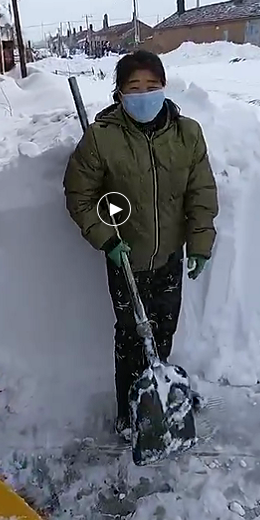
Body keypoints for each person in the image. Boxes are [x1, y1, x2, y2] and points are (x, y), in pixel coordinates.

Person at [63, 50, 218, 438]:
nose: (144, 94)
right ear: (119, 94)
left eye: (152, 86)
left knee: (163, 330)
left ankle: (158, 396)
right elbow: (80, 195)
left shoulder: (188, 134)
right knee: (132, 337)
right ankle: (128, 409)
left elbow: (200, 191)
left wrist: (199, 244)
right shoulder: (102, 139)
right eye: (134, 87)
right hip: (125, 258)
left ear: (164, 88)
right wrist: (106, 239)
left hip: (168, 256)